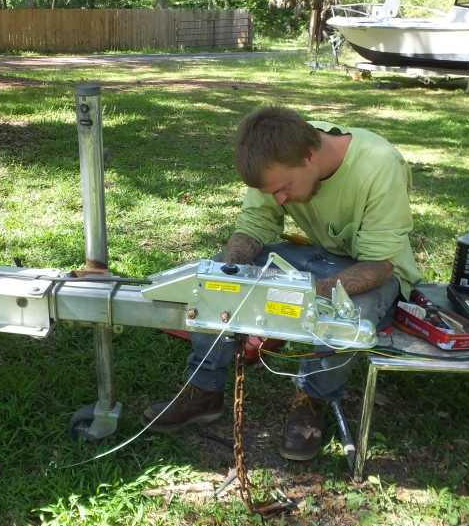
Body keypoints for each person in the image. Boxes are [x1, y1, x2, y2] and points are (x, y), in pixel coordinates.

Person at [144, 106, 421, 461]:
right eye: (273, 192)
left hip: (376, 270)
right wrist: (230, 273)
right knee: (216, 277)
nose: (279, 199)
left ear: (310, 156)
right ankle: (204, 388)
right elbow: (255, 226)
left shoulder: (380, 164)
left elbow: (380, 265)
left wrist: (307, 293)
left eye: (284, 189)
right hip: (315, 256)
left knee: (348, 310)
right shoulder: (276, 156)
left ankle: (311, 399)